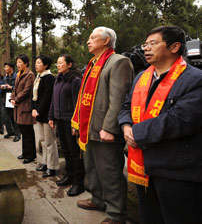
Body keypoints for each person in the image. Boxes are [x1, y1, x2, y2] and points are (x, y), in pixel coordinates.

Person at [118, 25, 202, 224]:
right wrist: (125, 126)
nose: (146, 48)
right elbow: (126, 105)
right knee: (149, 218)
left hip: (176, 171)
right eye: (145, 44)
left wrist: (136, 133)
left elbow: (179, 120)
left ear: (174, 47)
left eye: (153, 43)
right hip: (143, 167)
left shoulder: (194, 79)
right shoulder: (142, 77)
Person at [72, 27, 133, 224]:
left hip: (104, 129)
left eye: (93, 38)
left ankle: (116, 214)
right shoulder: (92, 63)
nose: (88, 41)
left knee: (110, 172)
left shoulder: (118, 62)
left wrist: (109, 128)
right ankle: (98, 199)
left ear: (106, 41)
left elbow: (118, 100)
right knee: (92, 169)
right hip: (88, 126)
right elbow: (83, 97)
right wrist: (78, 121)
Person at [48, 54, 85, 196]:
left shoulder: (75, 81)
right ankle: (69, 176)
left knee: (75, 152)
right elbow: (53, 100)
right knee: (66, 150)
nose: (58, 65)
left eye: (61, 63)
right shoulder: (58, 79)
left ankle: (78, 182)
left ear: (69, 65)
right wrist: (51, 116)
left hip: (70, 121)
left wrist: (76, 124)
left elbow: (78, 103)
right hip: (59, 120)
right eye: (57, 63)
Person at [31, 54, 59, 178]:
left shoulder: (49, 78)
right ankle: (45, 163)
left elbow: (48, 97)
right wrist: (33, 108)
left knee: (49, 142)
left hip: (47, 114)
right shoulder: (38, 77)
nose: (36, 65)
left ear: (45, 65)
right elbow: (34, 96)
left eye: (39, 63)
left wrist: (39, 110)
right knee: (42, 140)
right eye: (36, 63)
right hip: (38, 114)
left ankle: (52, 166)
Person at [10, 54, 36, 164]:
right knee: (23, 131)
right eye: (17, 62)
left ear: (26, 63)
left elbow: (27, 90)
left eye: (20, 62)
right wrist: (12, 97)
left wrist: (16, 99)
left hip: (25, 106)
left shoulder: (30, 75)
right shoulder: (18, 74)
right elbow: (15, 89)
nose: (18, 64)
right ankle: (25, 153)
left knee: (28, 132)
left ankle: (30, 155)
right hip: (18, 106)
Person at [1, 62, 20, 142]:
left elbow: (18, 87)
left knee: (14, 116)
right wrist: (3, 87)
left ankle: (17, 134)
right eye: (5, 67)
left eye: (7, 67)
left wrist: (11, 87)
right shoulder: (5, 77)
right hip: (6, 98)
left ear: (11, 68)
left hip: (13, 98)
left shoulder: (16, 76)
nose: (5, 69)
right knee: (5, 115)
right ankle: (10, 131)